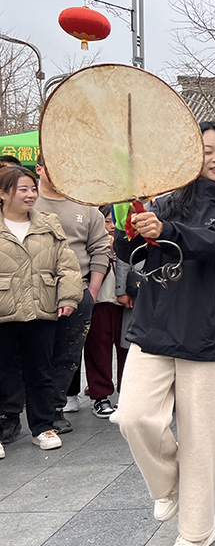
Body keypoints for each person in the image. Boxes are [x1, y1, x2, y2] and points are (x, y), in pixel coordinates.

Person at [112, 121, 215, 546]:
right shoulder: (165, 203)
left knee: (202, 438)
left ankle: (197, 531)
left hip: (209, 332)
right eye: (206, 150)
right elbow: (128, 252)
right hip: (154, 325)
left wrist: (166, 232)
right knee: (133, 416)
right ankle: (170, 486)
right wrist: (130, 229)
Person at [0, 166, 82, 454]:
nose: (31, 194)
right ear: (3, 193)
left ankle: (43, 427)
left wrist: (69, 297)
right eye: (23, 189)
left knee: (41, 371)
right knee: (3, 372)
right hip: (3, 310)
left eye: (32, 189)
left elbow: (67, 263)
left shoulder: (48, 222)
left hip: (41, 309)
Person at [31, 158, 111, 429]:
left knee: (67, 354)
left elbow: (100, 248)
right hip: (32, 290)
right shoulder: (27, 202)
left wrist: (92, 290)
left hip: (78, 288)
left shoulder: (85, 206)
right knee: (32, 353)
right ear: (38, 169)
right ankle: (19, 413)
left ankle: (55, 408)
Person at [82, 206, 134, 418]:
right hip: (100, 303)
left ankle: (128, 392)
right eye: (106, 221)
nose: (111, 227)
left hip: (127, 303)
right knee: (98, 349)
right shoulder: (93, 243)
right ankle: (100, 395)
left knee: (127, 350)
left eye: (115, 222)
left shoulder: (130, 241)